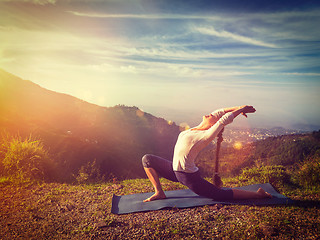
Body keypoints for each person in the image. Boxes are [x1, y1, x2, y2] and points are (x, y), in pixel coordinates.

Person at [142, 105, 272, 202]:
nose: (211, 114)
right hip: (175, 170)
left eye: (212, 117)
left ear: (213, 125)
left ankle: (258, 195)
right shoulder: (195, 128)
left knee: (220, 195)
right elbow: (220, 112)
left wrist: (240, 110)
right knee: (147, 159)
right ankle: (159, 192)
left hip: (187, 176)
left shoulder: (205, 135)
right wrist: (239, 107)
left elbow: (223, 120)